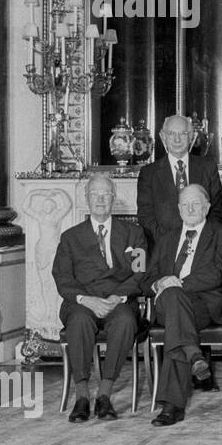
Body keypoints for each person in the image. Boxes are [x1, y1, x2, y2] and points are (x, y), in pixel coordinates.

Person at [51, 175, 146, 422]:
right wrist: (86, 299)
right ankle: (82, 395)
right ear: (87, 199)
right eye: (95, 194)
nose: (101, 199)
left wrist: (118, 297)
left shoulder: (134, 234)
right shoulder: (70, 237)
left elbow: (141, 272)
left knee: (126, 321)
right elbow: (62, 277)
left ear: (114, 198)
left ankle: (104, 394)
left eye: (106, 194)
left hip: (120, 301)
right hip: (82, 301)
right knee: (80, 321)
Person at [145, 184, 222, 427]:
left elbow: (217, 274)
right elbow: (146, 277)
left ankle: (172, 406)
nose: (190, 208)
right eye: (185, 204)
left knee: (177, 316)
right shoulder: (166, 237)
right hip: (167, 303)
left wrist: (177, 284)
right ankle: (194, 355)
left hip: (204, 304)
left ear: (207, 207)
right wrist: (160, 283)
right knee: (173, 300)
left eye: (196, 203)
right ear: (178, 208)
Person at [136, 114, 222, 247]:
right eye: (171, 133)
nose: (177, 139)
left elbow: (217, 210)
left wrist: (204, 240)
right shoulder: (149, 173)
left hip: (204, 248)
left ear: (191, 137)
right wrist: (167, 243)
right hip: (163, 249)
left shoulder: (208, 167)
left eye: (183, 133)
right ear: (163, 137)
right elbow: (145, 217)